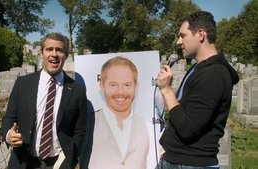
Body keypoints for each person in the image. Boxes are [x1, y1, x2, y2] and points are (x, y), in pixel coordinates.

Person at [156, 11, 239, 169]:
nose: (178, 41)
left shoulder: (213, 74)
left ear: (201, 34)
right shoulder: (198, 68)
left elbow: (187, 128)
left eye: (183, 35)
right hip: (177, 160)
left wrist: (166, 90)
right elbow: (185, 111)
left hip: (190, 163)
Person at [1, 32, 87, 169]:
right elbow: (9, 117)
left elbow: (80, 131)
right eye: (49, 49)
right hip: (23, 161)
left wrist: (68, 161)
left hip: (58, 163)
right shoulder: (23, 84)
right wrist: (8, 135)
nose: (54, 54)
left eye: (59, 50)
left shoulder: (77, 91)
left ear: (65, 55)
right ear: (41, 53)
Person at [88, 56, 158, 169]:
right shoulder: (86, 125)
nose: (120, 92)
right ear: (102, 86)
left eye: (127, 85)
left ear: (136, 86)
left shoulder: (149, 129)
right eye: (113, 85)